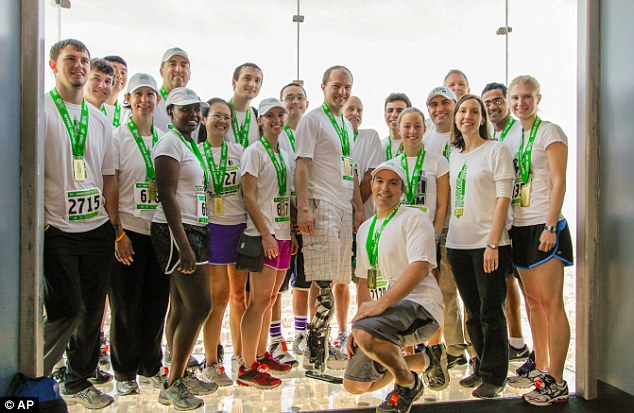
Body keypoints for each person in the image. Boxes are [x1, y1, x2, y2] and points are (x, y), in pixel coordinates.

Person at [44, 39, 118, 409]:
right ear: (53, 65)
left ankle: (78, 378)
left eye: (83, 60)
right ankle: (33, 375)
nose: (78, 65)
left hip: (96, 229)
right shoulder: (41, 109)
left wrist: (113, 228)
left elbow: (108, 179)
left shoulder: (100, 120)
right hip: (55, 230)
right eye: (70, 59)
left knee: (92, 312)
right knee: (66, 310)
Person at [342, 160, 445, 413]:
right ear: (372, 185)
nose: (384, 188)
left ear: (403, 191)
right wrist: (358, 323)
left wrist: (380, 305)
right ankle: (422, 361)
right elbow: (365, 281)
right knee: (354, 385)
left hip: (421, 308)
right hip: (383, 314)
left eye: (393, 183)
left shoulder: (414, 218)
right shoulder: (365, 228)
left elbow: (420, 268)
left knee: (368, 334)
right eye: (379, 181)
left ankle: (407, 385)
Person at [505, 75, 573, 406]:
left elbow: (559, 181)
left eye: (527, 97)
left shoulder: (550, 131)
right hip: (519, 228)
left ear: (538, 97)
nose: (521, 103)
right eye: (515, 97)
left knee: (551, 304)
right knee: (533, 304)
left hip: (544, 227)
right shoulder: (513, 136)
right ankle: (544, 373)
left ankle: (557, 381)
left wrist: (550, 226)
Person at [295, 65, 365, 373]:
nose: (342, 91)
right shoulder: (313, 120)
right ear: (323, 86)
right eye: (337, 85)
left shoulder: (345, 126)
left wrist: (358, 207)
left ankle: (322, 346)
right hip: (320, 204)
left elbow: (350, 169)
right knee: (321, 281)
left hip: (342, 207)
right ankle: (315, 351)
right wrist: (303, 208)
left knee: (336, 278)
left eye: (347, 86)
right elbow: (301, 166)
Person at [151, 87, 217, 410]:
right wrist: (184, 245)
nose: (192, 115)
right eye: (185, 110)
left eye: (196, 110)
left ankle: (177, 372)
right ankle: (173, 382)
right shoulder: (169, 143)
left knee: (179, 306)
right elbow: (166, 195)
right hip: (178, 231)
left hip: (195, 227)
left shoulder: (191, 143)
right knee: (200, 306)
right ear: (170, 113)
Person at [446, 94, 514, 399]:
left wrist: (492, 243)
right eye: (463, 111)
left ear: (483, 118)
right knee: (472, 311)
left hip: (489, 245)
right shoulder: (455, 154)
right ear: (456, 118)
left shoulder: (496, 151)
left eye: (475, 111)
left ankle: (495, 375)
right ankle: (480, 365)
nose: (468, 116)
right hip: (457, 245)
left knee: (491, 311)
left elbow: (504, 198)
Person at [109, 73, 170, 396]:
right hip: (129, 234)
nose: (145, 100)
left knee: (156, 304)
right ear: (129, 100)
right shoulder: (118, 137)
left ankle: (150, 366)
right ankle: (123, 371)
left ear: (157, 100)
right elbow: (113, 186)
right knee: (125, 306)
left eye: (150, 94)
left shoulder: (164, 138)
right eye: (139, 94)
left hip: (157, 234)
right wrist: (118, 233)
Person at [237, 98, 296, 388]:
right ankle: (247, 368)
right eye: (269, 115)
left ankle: (260, 355)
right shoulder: (254, 152)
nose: (276, 120)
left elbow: (284, 196)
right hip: (263, 235)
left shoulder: (284, 152)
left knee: (270, 300)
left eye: (280, 115)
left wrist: (290, 233)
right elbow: (248, 194)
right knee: (258, 301)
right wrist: (265, 234)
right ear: (260, 120)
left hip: (283, 234)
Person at [197, 97, 247, 386]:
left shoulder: (239, 152)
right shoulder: (196, 152)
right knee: (219, 298)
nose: (222, 121)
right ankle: (211, 361)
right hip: (212, 228)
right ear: (204, 119)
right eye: (217, 115)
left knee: (240, 296)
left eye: (227, 117)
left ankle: (240, 356)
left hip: (237, 226)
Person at [423, 86, 473, 368]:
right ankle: (455, 349)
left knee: (469, 291)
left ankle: (476, 348)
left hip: (466, 226)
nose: (439, 108)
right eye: (433, 104)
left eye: (445, 103)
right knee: (445, 291)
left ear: (455, 106)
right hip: (438, 228)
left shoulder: (465, 137)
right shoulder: (426, 139)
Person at [481, 82, 531, 361]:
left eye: (498, 101)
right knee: (508, 283)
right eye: (488, 103)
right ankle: (516, 343)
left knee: (524, 290)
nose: (493, 107)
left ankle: (521, 343)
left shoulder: (519, 132)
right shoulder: (492, 136)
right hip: (504, 223)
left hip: (525, 221)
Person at [268, 82, 310, 366]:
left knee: (304, 282)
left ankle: (301, 334)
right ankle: (274, 339)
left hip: (306, 216)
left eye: (299, 98)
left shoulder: (312, 131)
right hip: (281, 218)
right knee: (276, 286)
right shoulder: (276, 136)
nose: (294, 102)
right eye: (289, 98)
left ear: (306, 103)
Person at [344, 95, 382, 218]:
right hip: (337, 213)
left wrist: (353, 210)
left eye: (359, 110)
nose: (355, 113)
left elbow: (370, 176)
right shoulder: (331, 137)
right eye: (350, 109)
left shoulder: (370, 136)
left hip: (362, 214)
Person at [153, 47, 191, 132]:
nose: (178, 69)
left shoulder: (196, 108)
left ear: (189, 74)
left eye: (184, 65)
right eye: (172, 64)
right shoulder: (151, 104)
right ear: (161, 71)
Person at [226, 62, 263, 148]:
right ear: (234, 82)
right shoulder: (219, 113)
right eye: (247, 78)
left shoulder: (259, 117)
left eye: (257, 81)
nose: (252, 84)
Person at [381, 93, 411, 161]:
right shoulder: (379, 146)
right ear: (385, 115)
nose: (394, 115)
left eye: (399, 111)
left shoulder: (418, 145)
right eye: (390, 111)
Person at [102, 55, 128, 128]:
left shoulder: (127, 113)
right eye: (114, 70)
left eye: (123, 72)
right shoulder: (89, 106)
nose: (119, 76)